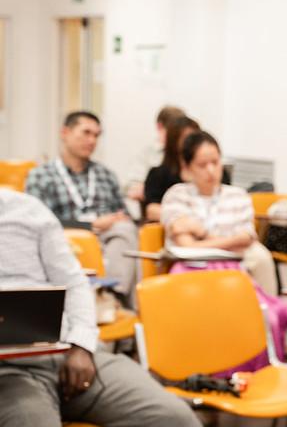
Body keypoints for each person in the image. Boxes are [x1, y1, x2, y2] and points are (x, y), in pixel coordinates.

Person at [0, 189, 213, 427]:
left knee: (176, 417)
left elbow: (75, 283)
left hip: (70, 355)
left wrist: (81, 346)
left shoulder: (29, 211)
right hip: (8, 375)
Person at [160, 131, 287, 362]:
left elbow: (246, 238)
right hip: (192, 270)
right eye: (202, 164)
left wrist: (202, 234)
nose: (211, 170)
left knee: (258, 308)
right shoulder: (176, 195)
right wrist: (227, 241)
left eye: (215, 162)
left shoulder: (237, 195)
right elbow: (186, 246)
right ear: (187, 166)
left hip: (232, 269)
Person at [25, 111, 138, 307]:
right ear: (65, 132)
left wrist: (118, 219)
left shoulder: (106, 175)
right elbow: (37, 223)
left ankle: (112, 294)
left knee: (126, 231)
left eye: (96, 135)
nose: (92, 140)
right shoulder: (41, 176)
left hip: (110, 242)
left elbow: (124, 214)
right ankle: (107, 300)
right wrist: (89, 226)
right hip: (67, 242)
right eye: (86, 133)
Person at [123, 105, 186, 206]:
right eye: (173, 130)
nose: (176, 135)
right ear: (160, 127)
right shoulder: (146, 155)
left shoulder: (187, 153)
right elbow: (133, 189)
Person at [143, 115, 201, 222]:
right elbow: (152, 211)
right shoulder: (158, 174)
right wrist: (187, 218)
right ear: (174, 141)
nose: (192, 144)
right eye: (186, 138)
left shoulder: (212, 172)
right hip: (174, 227)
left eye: (196, 138)